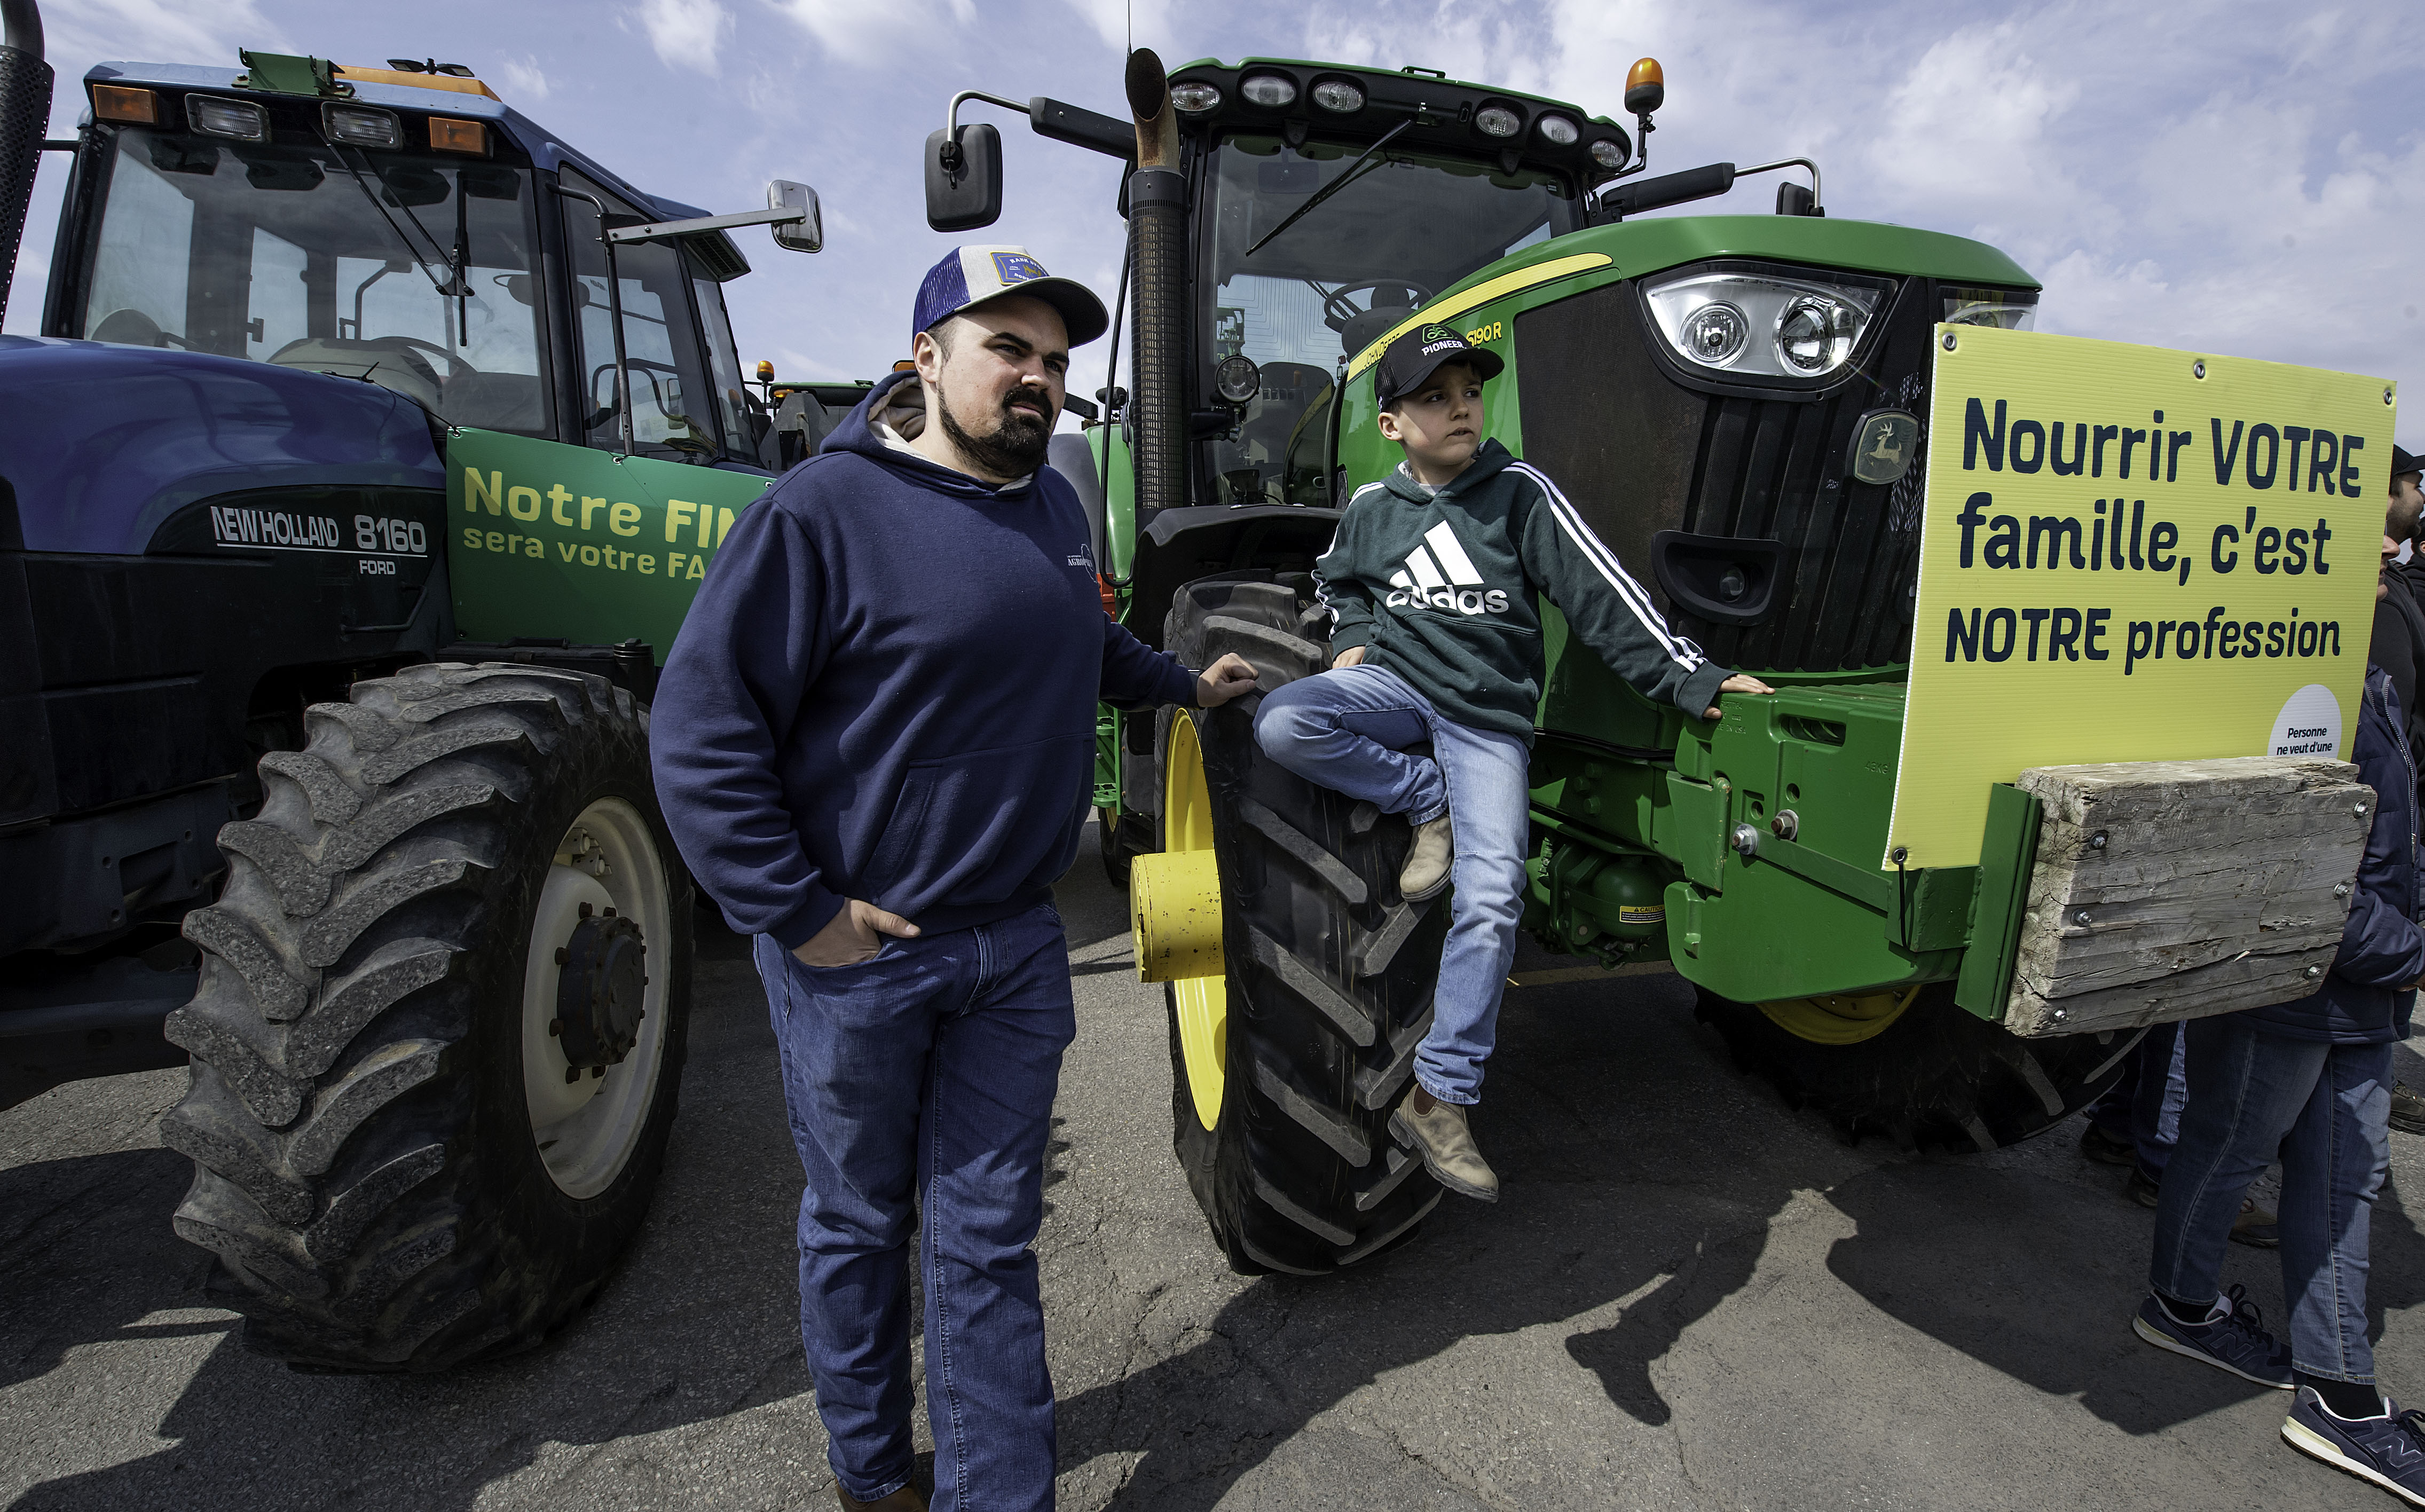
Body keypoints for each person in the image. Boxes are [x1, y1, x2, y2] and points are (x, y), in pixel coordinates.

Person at [652, 245, 1256, 1512]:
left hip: (1015, 951)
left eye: (1054, 358)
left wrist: (1181, 682)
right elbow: (702, 733)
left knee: (987, 1246)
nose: (1038, 378)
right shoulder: (819, 513)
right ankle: (872, 1476)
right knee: (861, 1229)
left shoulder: (1047, 503)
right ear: (924, 358)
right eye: (1007, 350)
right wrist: (802, 915)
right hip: (863, 957)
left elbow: (1074, 639)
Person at [1253, 323, 1770, 1201]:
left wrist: (1693, 679)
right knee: (1282, 721)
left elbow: (1603, 598)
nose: (1459, 408)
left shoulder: (1518, 494)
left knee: (1492, 896)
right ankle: (1427, 801)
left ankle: (1439, 1093)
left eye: (1468, 392)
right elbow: (1336, 577)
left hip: (1487, 719)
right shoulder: (1377, 507)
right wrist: (1353, 637)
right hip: (1398, 688)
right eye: (1434, 397)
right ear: (1392, 425)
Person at [2133, 531, 2425, 1502]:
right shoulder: (2282, 681)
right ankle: (2182, 1307)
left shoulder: (2358, 669)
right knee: (2228, 1149)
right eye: (2360, 526)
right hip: (2290, 984)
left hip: (2355, 993)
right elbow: (2297, 868)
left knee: (2346, 1179)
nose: (2390, 541)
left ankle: (2338, 1396)